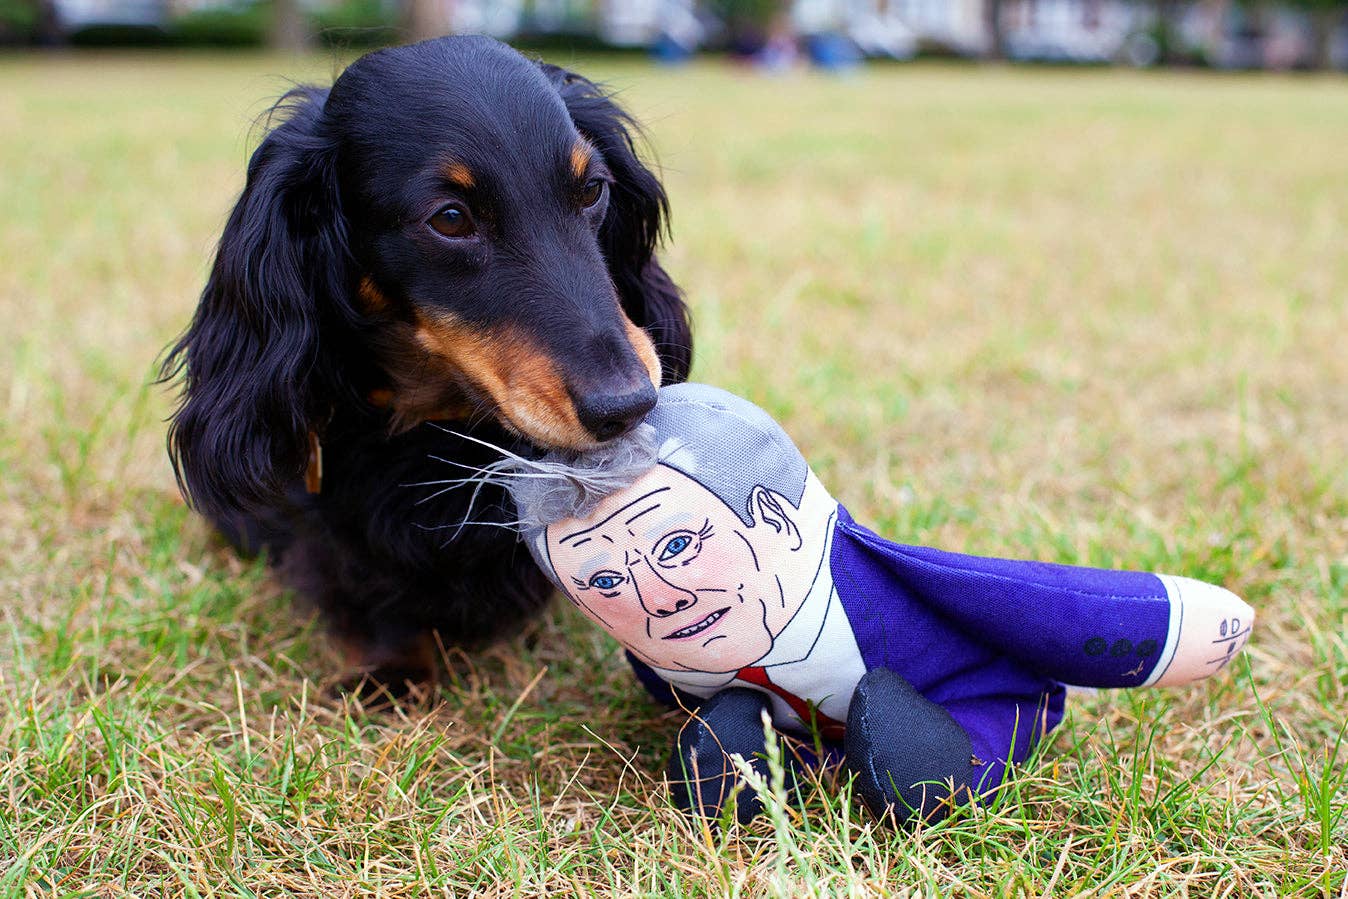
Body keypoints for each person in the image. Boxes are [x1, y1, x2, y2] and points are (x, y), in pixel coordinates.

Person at [499, 384, 1254, 824]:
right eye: (604, 583)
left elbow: (1022, 600)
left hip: (964, 693)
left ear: (776, 516)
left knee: (920, 755)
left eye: (675, 546)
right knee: (734, 741)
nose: (654, 598)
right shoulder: (667, 650)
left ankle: (939, 762)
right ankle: (767, 754)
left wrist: (1168, 625)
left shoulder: (868, 578)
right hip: (788, 713)